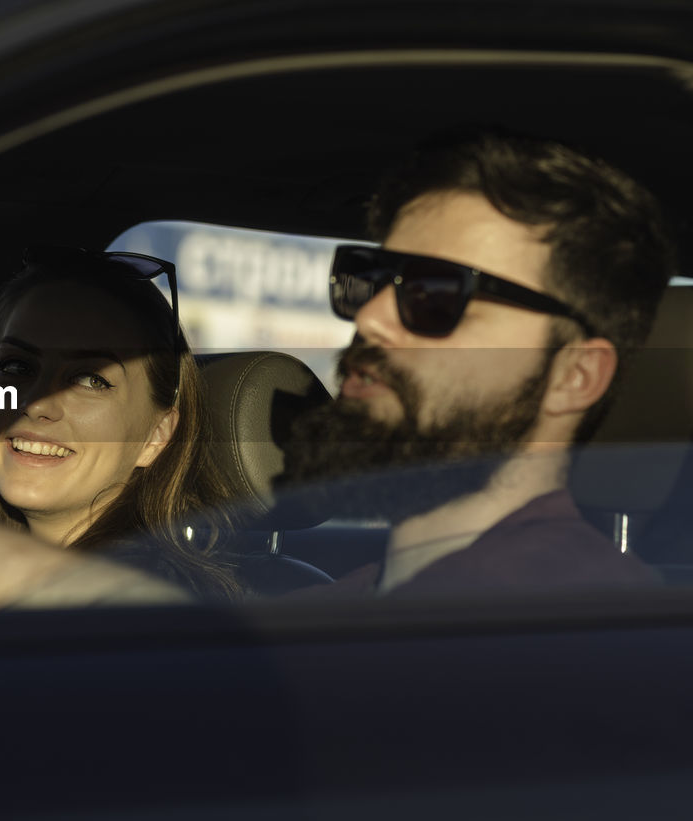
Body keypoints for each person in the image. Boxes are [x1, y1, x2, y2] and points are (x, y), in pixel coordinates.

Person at [277, 129, 676, 594]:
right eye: (372, 278)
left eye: (436, 293)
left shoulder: (583, 632)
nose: (370, 316)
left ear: (576, 376)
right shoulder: (328, 608)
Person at [0, 248, 239, 600]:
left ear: (156, 436)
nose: (36, 404)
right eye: (16, 367)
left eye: (90, 380)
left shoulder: (137, 607)